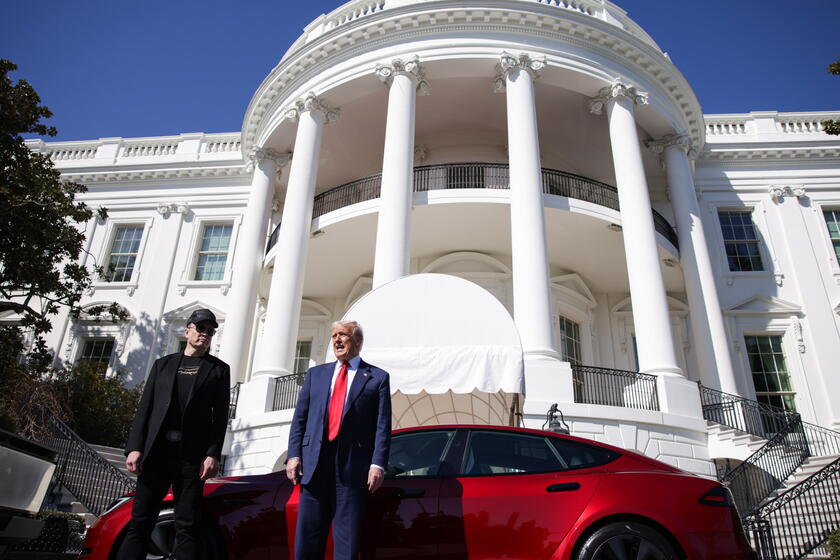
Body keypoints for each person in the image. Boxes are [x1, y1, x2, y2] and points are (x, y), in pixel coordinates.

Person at [117, 309, 230, 560]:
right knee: (140, 521)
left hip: (191, 458)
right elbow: (145, 408)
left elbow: (219, 417)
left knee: (187, 524)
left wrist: (213, 454)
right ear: (187, 330)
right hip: (156, 453)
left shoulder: (219, 370)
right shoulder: (163, 365)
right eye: (200, 328)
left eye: (210, 331)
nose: (205, 334)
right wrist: (135, 447)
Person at [287, 320, 392, 560]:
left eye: (343, 335)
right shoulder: (316, 374)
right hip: (314, 465)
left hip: (352, 467)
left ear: (357, 341)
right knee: (307, 540)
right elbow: (299, 419)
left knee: (347, 542)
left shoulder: (377, 378)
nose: (336, 340)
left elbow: (382, 425)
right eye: (334, 335)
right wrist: (294, 455)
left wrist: (377, 464)